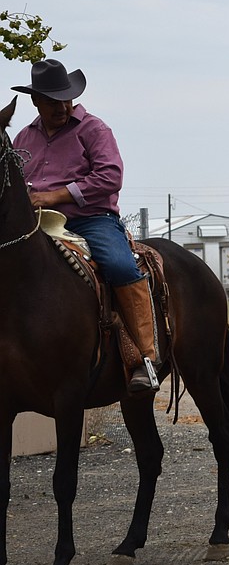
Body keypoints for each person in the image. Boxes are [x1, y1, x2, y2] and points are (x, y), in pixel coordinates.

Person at [11, 59, 159, 396]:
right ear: (36, 101)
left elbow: (110, 176)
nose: (62, 106)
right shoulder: (24, 136)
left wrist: (55, 195)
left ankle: (145, 358)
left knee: (120, 265)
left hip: (91, 220)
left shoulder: (94, 129)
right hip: (36, 224)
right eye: (52, 100)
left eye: (66, 98)